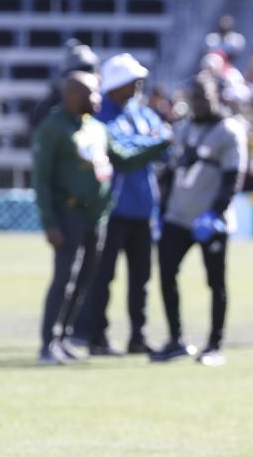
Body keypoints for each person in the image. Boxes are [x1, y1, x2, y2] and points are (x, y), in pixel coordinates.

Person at [31, 72, 170, 365]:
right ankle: (48, 343)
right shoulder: (53, 128)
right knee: (64, 281)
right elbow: (41, 180)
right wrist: (50, 223)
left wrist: (160, 143)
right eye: (91, 94)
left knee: (83, 282)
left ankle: (65, 338)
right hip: (68, 216)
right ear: (72, 95)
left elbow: (124, 158)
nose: (97, 99)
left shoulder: (96, 127)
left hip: (97, 218)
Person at [71, 53, 170, 356]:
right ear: (118, 84)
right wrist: (153, 143)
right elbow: (124, 155)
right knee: (104, 276)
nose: (139, 84)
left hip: (142, 208)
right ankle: (96, 336)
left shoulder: (141, 113)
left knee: (141, 278)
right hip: (112, 209)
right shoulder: (103, 116)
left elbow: (164, 142)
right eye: (132, 80)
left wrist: (153, 143)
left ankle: (138, 335)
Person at [152, 74, 247, 366]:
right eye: (194, 98)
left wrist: (215, 213)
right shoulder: (183, 128)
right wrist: (162, 208)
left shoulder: (229, 131)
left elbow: (233, 178)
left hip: (209, 219)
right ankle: (175, 339)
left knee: (215, 281)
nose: (199, 104)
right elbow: (171, 171)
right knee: (167, 273)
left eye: (204, 98)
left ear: (217, 97)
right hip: (178, 216)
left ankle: (214, 344)